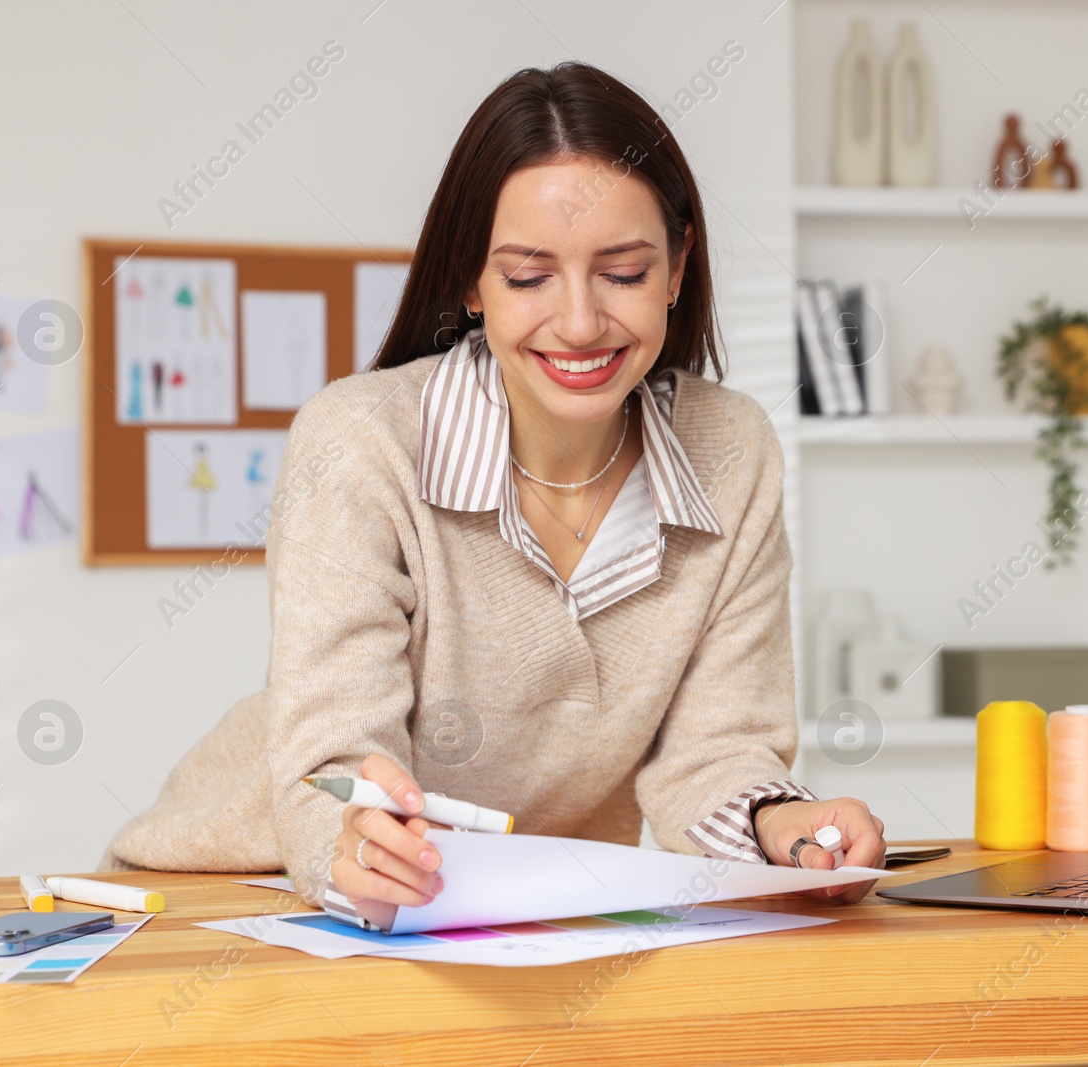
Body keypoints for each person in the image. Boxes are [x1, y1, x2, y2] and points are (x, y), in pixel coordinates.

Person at [100, 60, 886, 931]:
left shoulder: (731, 451)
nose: (581, 322)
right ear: (472, 282)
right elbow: (333, 755)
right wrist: (352, 840)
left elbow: (717, 748)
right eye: (527, 277)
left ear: (677, 267)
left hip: (514, 912)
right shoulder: (362, 441)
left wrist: (784, 829)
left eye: (623, 272)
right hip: (249, 887)